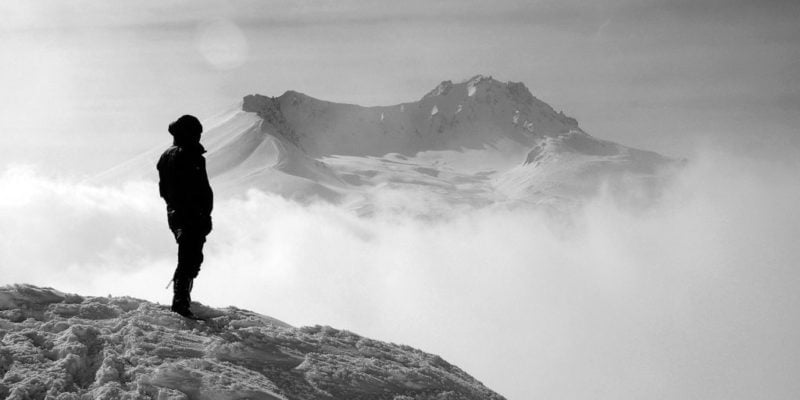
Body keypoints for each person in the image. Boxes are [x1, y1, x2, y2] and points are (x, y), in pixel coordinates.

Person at [156, 114, 213, 318]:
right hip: (190, 215)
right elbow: (197, 188)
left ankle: (181, 300)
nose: (198, 136)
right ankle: (180, 302)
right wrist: (200, 213)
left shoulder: (167, 156)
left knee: (189, 257)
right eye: (196, 133)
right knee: (190, 258)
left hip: (178, 213)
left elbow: (165, 190)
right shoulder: (188, 154)